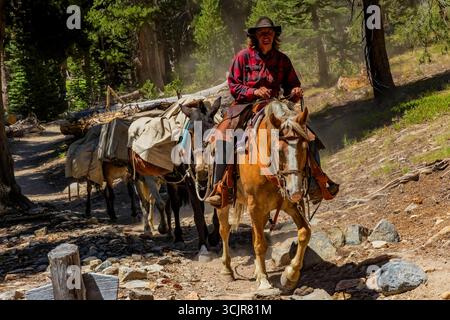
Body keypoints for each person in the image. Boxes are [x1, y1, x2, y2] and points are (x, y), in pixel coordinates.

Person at [204, 16, 338, 207]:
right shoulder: (243, 57)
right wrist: (253, 91)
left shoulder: (282, 59)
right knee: (223, 136)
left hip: (275, 105)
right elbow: (233, 85)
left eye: (269, 33)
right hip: (245, 106)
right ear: (255, 36)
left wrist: (295, 92)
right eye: (262, 33)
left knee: (308, 135)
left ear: (274, 35)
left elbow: (292, 85)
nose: (266, 36)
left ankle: (316, 182)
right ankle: (221, 187)